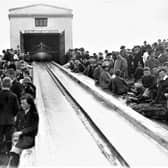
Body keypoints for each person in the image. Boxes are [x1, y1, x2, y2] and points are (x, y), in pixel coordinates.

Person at [8, 94, 39, 168]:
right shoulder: (20, 113)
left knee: (14, 152)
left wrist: (21, 132)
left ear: (30, 104)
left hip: (28, 138)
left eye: (24, 103)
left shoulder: (34, 115)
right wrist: (15, 133)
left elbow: (33, 128)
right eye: (21, 103)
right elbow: (16, 125)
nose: (22, 105)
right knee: (13, 153)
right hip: (20, 137)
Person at [0, 77, 19, 153]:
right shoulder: (14, 96)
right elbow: (16, 109)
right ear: (10, 85)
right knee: (9, 138)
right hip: (10, 121)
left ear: (2, 85)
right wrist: (12, 115)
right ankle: (8, 152)